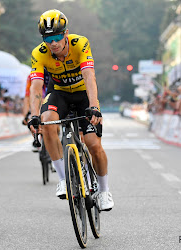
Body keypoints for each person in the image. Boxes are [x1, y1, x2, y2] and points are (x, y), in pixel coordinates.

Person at [28, 9, 114, 211]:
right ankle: (63, 179)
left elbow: (89, 75)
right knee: (47, 121)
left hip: (84, 94)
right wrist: (33, 115)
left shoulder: (80, 43)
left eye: (57, 37)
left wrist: (93, 106)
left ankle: (103, 191)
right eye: (48, 39)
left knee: (94, 145)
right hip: (60, 93)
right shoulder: (38, 53)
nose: (53, 43)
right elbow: (36, 86)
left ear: (66, 33)